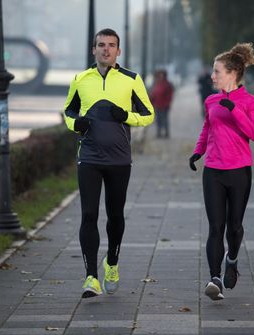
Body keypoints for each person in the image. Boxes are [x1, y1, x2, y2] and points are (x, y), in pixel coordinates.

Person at [63, 28, 154, 298]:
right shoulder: (81, 79)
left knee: (115, 216)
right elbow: (68, 110)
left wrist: (125, 115)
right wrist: (75, 124)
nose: (106, 49)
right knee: (89, 215)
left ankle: (111, 263)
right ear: (93, 49)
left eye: (111, 45)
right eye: (101, 45)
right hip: (89, 157)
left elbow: (148, 114)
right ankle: (91, 276)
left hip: (119, 160)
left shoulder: (131, 79)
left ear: (118, 51)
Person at [189, 43, 254, 301]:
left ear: (232, 73)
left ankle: (232, 260)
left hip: (239, 172)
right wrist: (198, 152)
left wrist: (237, 112)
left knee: (234, 227)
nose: (212, 76)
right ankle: (214, 278)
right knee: (215, 227)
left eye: (217, 71)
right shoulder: (212, 100)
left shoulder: (250, 102)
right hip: (213, 171)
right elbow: (207, 129)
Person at [150, 69, 174, 138]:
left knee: (165, 119)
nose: (161, 76)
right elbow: (153, 94)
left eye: (162, 75)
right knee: (158, 120)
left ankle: (166, 133)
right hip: (157, 105)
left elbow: (170, 95)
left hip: (164, 105)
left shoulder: (167, 84)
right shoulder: (156, 83)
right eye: (159, 75)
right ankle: (159, 133)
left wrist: (168, 103)